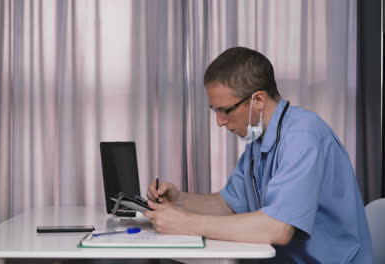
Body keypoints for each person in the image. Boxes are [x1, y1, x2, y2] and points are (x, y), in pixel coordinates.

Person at [144, 47, 372, 263]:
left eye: (226, 110)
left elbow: (278, 229)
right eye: (215, 111)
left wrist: (188, 223)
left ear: (259, 100)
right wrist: (180, 200)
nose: (219, 121)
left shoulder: (302, 136)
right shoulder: (260, 140)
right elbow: (231, 203)